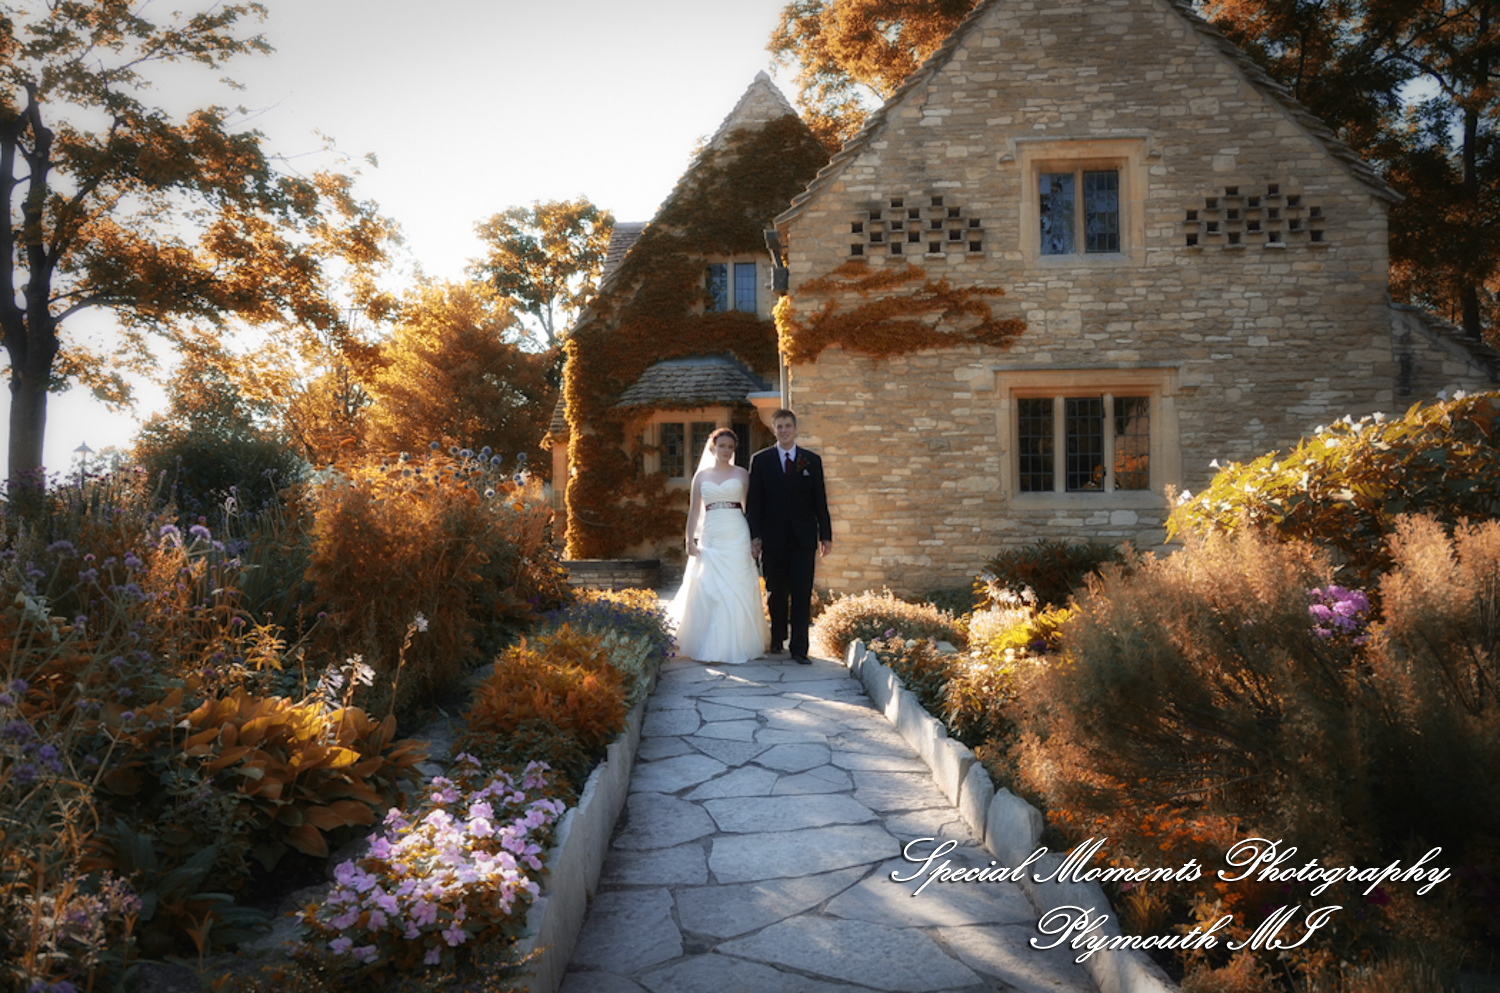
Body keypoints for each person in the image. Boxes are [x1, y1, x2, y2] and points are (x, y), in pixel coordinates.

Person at [668, 427, 768, 664]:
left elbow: (751, 510)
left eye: (730, 447)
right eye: (722, 446)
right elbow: (693, 513)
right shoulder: (700, 477)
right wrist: (689, 541)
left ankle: (739, 644)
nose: (726, 451)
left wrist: (756, 538)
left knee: (737, 586)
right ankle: (710, 644)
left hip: (736, 533)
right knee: (710, 588)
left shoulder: (743, 474)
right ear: (713, 447)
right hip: (711, 535)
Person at [746, 408, 832, 664]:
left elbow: (820, 501)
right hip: (773, 539)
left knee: (802, 592)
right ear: (774, 430)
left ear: (795, 429)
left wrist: (825, 536)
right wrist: (755, 536)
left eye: (787, 426)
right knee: (775, 592)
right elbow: (755, 503)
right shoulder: (760, 461)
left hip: (804, 539)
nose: (783, 430)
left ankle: (799, 649)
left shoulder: (811, 461)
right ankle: (777, 638)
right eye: (779, 426)